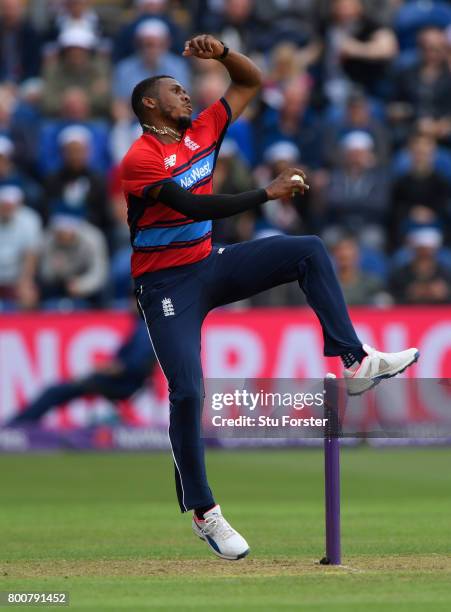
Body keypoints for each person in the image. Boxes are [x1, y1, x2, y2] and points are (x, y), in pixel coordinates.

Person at [120, 34, 419, 562]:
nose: (187, 94)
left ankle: (356, 361)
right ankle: (204, 512)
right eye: (174, 90)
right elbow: (192, 206)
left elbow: (251, 81)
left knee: (307, 250)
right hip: (165, 286)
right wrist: (268, 193)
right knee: (187, 392)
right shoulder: (140, 159)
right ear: (149, 104)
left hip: (207, 264)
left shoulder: (203, 129)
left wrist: (225, 55)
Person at [7, 315, 156, 425]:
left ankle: (17, 425)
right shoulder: (143, 326)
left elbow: (132, 366)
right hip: (117, 381)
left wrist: (99, 371)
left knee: (55, 391)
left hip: (122, 384)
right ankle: (19, 423)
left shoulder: (144, 329)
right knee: (58, 391)